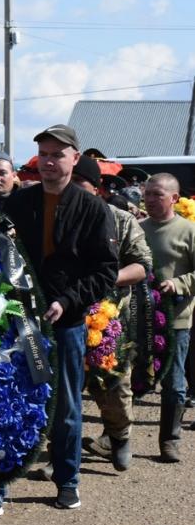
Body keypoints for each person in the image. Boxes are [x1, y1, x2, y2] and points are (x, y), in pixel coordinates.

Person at [0, 124, 117, 513]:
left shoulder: (92, 209)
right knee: (9, 400)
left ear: (75, 159)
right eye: (43, 154)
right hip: (19, 322)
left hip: (66, 325)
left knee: (65, 407)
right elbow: (1, 254)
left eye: (58, 154)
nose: (49, 162)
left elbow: (105, 272)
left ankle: (67, 480)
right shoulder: (20, 204)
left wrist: (66, 301)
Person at [72, 156, 151, 472]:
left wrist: (107, 278)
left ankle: (119, 436)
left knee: (114, 388)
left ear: (96, 189)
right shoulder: (56, 219)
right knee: (65, 390)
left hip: (110, 319)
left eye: (81, 186)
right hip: (65, 315)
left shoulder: (120, 220)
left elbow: (142, 266)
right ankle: (64, 455)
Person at [140, 173, 195, 462]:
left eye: (157, 195)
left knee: (174, 384)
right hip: (137, 319)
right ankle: (112, 436)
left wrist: (178, 284)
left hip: (175, 322)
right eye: (147, 194)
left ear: (174, 198)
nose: (149, 199)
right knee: (126, 381)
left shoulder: (188, 231)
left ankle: (170, 440)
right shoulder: (137, 228)